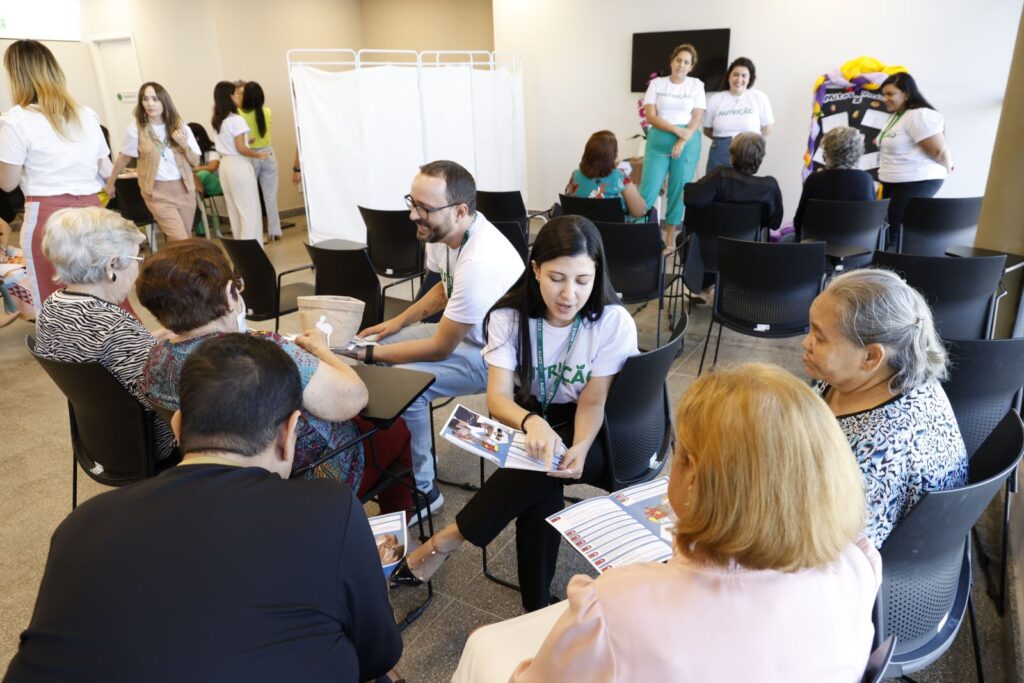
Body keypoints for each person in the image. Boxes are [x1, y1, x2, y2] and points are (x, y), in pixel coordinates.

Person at [3, 334, 402, 682]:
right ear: (289, 433)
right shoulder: (330, 509)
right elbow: (379, 655)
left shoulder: (81, 524)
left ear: (177, 426)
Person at [452, 364, 879, 682]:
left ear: (693, 478)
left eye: (680, 453)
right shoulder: (857, 565)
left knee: (484, 647)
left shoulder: (615, 607)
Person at [390, 216, 639, 612]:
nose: (569, 294)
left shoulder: (612, 322)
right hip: (529, 418)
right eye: (557, 277)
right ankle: (537, 608)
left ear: (597, 275)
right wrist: (531, 421)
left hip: (592, 429)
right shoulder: (508, 318)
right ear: (536, 269)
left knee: (541, 469)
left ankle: (449, 539)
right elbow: (499, 399)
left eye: (582, 280)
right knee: (539, 484)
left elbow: (593, 402)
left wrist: (579, 445)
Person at [136, 239, 412, 513]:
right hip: (312, 481)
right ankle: (401, 519)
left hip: (231, 490)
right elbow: (354, 398)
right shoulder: (262, 353)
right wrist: (321, 350)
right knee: (396, 428)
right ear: (231, 293)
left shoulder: (154, 361)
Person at [354, 160, 524, 517]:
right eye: (412, 203)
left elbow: (440, 347)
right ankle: (399, 454)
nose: (414, 215)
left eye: (425, 208)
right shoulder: (440, 232)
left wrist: (375, 355)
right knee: (381, 350)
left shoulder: (480, 262)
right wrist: (393, 325)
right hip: (466, 332)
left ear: (461, 211)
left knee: (406, 384)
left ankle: (424, 489)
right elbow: (444, 293)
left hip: (497, 357)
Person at [802, 268, 968, 547]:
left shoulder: (879, 456)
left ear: (871, 356)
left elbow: (832, 552)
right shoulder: (884, 372)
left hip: (859, 565)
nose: (806, 343)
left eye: (819, 337)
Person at [31, 206, 176, 460]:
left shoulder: (53, 307)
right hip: (154, 445)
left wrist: (150, 344)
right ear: (111, 266)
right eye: (135, 260)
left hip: (99, 442)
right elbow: (171, 399)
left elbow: (108, 363)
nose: (137, 270)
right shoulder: (115, 327)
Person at [0, 39, 110, 313]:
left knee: (54, 301)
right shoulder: (86, 115)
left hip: (48, 215)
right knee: (104, 292)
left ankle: (68, 354)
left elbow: (7, 183)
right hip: (94, 213)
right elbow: (106, 171)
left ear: (17, 76)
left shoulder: (16, 120)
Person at [106, 82, 201, 242]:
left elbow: (195, 162)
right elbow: (124, 157)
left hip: (184, 188)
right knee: (181, 238)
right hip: (157, 191)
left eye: (155, 99)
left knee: (184, 236)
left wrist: (184, 144)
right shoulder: (135, 129)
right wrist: (111, 182)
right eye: (145, 99)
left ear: (164, 101)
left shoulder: (180, 126)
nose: (150, 104)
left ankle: (170, 267)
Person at [638, 44, 706, 249]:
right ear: (672, 61)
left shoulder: (696, 85)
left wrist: (683, 139)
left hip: (687, 143)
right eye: (678, 60)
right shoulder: (657, 84)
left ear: (691, 66)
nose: (681, 65)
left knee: (678, 190)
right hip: (659, 141)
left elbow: (697, 115)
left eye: (686, 62)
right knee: (648, 189)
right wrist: (678, 132)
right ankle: (642, 234)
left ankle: (669, 237)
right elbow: (651, 116)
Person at [875, 72, 954, 245]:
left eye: (890, 94)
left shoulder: (919, 115)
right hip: (894, 181)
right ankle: (883, 265)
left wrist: (949, 165)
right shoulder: (897, 116)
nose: (885, 98)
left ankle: (890, 268)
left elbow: (938, 150)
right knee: (886, 226)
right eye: (884, 94)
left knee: (894, 227)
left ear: (906, 94)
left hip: (916, 180)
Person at [683, 131, 783, 233]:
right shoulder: (769, 187)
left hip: (711, 243)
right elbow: (775, 224)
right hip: (750, 245)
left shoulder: (722, 176)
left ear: (732, 156)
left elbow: (690, 199)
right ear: (761, 158)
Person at [793, 126, 877, 233]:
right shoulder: (866, 180)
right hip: (859, 247)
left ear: (826, 153)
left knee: (786, 239)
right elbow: (871, 222)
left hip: (818, 246)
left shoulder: (814, 180)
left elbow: (798, 223)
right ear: (858, 152)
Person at [212, 80, 266, 241]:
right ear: (230, 97)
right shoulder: (236, 119)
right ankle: (252, 254)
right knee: (249, 211)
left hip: (225, 166)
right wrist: (258, 155)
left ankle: (241, 255)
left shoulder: (218, 120)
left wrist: (249, 141)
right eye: (237, 94)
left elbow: (232, 143)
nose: (240, 97)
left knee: (234, 211)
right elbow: (240, 148)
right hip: (238, 165)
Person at [703, 57, 774, 172]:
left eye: (743, 75)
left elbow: (768, 128)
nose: (739, 79)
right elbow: (707, 130)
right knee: (713, 186)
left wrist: (750, 143)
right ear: (729, 76)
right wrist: (725, 141)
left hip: (747, 152)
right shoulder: (716, 99)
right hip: (719, 150)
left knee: (741, 188)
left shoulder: (759, 97)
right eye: (735, 74)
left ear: (749, 79)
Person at [564, 130, 647, 219]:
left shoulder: (575, 175)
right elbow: (639, 212)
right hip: (613, 231)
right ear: (613, 155)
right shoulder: (619, 176)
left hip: (583, 230)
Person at [239, 81, 282, 241]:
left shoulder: (238, 114)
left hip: (250, 156)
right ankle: (274, 231)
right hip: (268, 153)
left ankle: (256, 233)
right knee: (270, 196)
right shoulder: (267, 112)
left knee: (252, 196)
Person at [188, 122, 222, 198]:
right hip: (202, 185)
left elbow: (212, 167)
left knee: (203, 174)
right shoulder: (189, 151)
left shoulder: (211, 149)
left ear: (197, 138)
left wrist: (194, 169)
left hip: (217, 183)